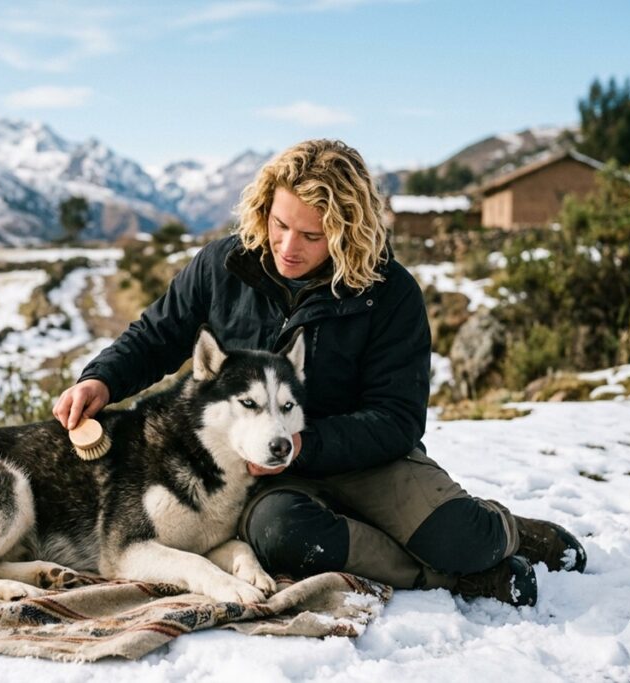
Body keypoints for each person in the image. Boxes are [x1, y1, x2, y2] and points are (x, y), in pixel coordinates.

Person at [53, 139, 586, 606]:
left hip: (365, 454)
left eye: (312, 235)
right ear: (263, 208)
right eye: (280, 224)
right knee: (286, 537)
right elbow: (156, 335)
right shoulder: (222, 265)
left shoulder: (391, 293)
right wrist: (100, 378)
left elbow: (398, 418)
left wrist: (307, 443)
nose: (288, 246)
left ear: (347, 231)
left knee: (462, 536)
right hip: (264, 468)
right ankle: (448, 576)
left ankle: (508, 535)